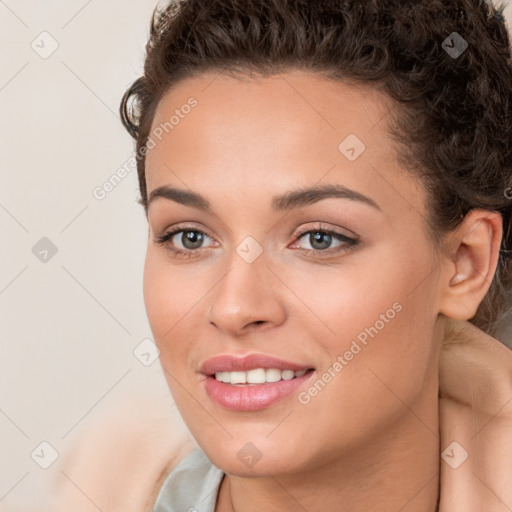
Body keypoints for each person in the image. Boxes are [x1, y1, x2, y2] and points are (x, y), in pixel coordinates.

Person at [46, 1, 512, 511]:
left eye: (319, 238)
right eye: (190, 237)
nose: (234, 307)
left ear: (465, 263)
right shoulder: (98, 489)